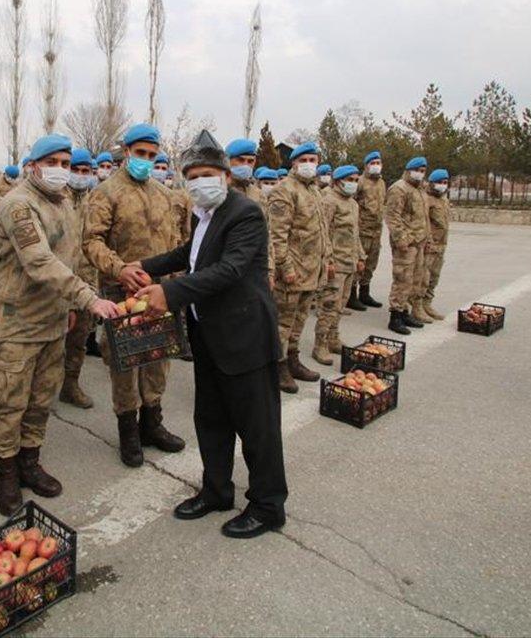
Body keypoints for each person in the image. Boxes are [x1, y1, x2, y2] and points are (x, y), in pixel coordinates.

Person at [134, 130, 287, 539]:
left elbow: (231, 269)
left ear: (225, 175)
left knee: (258, 428)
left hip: (245, 338)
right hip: (210, 338)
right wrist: (144, 266)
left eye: (208, 173)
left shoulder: (245, 214)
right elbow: (191, 254)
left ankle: (268, 505)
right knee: (212, 421)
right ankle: (217, 491)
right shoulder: (204, 215)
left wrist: (169, 291)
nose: (201, 181)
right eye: (193, 175)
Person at [0, 135, 120, 514]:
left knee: (41, 399)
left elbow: (71, 258)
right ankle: (6, 472)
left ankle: (30, 461)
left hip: (52, 319)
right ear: (32, 165)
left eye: (66, 162)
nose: (61, 170)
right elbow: (40, 261)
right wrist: (88, 297)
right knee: (10, 402)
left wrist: (70, 305)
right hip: (16, 322)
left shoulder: (64, 204)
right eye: (54, 162)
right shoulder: (18, 204)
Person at [83, 123, 187, 466]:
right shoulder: (106, 192)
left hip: (159, 293)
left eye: (151, 155)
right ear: (125, 152)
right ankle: (128, 430)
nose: (145, 160)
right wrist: (118, 268)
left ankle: (152, 424)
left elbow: (174, 244)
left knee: (158, 358)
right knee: (124, 363)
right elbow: (91, 241)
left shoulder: (163, 194)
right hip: (121, 293)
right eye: (139, 153)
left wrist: (175, 284)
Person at [266, 142, 330, 393]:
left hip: (312, 270)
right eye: (304, 160)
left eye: (313, 159)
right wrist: (284, 267)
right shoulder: (284, 190)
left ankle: (293, 359)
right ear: (293, 163)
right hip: (292, 271)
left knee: (300, 319)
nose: (309, 164)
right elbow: (277, 235)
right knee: (283, 321)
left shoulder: (314, 191)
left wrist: (327, 261)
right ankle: (278, 365)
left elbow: (322, 231)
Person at [313, 165, 364, 365]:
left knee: (341, 304)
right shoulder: (329, 201)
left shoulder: (353, 204)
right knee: (329, 305)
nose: (353, 183)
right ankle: (321, 344)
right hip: (335, 263)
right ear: (338, 181)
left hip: (349, 262)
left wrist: (360, 257)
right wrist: (329, 260)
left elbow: (355, 233)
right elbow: (322, 233)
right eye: (349, 179)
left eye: (355, 179)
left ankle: (333, 337)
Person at [61, 148, 99, 408]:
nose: (80, 175)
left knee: (78, 341)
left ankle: (70, 384)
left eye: (86, 171)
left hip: (85, 283)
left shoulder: (95, 201)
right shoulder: (53, 198)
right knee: (49, 343)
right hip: (56, 285)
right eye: (75, 170)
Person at [384, 156, 430, 336]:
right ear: (409, 169)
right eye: (417, 169)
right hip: (406, 243)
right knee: (402, 278)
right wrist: (401, 239)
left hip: (419, 241)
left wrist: (427, 239)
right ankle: (395, 316)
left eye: (423, 171)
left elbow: (424, 218)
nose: (420, 173)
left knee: (414, 279)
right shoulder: (399, 188)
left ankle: (404, 312)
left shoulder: (420, 190)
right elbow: (392, 216)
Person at [347, 150, 386, 311]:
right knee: (359, 263)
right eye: (373, 163)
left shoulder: (382, 183)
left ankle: (365, 292)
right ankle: (351, 295)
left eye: (378, 163)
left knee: (371, 264)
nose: (376, 166)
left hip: (376, 230)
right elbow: (351, 202)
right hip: (362, 230)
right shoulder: (360, 182)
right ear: (366, 165)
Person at [422, 168, 451, 321]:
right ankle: (417, 305)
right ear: (432, 183)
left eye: (445, 182)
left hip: (441, 245)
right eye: (440, 182)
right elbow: (424, 222)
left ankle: (427, 303)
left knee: (434, 277)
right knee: (423, 277)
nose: (442, 185)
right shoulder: (426, 199)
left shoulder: (444, 200)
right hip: (429, 245)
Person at [225, 138, 263, 204]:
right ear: (228, 161)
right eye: (241, 160)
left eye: (250, 161)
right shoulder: (219, 190)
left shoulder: (258, 194)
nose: (246, 165)